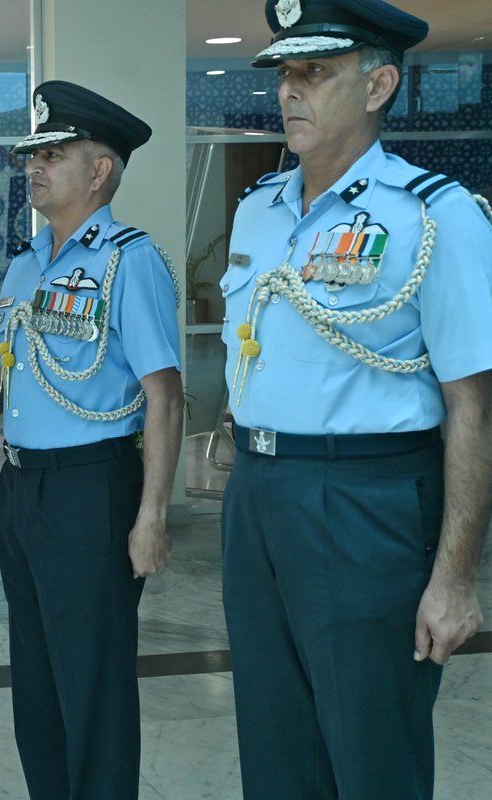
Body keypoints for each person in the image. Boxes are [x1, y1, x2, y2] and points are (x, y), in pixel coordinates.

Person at [221, 2, 492, 798]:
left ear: (378, 84)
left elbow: (473, 406)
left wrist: (454, 579)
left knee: (372, 749)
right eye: (285, 73)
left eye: (316, 72)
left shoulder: (434, 216)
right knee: (273, 742)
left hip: (365, 500)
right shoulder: (258, 211)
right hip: (258, 495)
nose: (289, 91)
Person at [0, 81, 183, 800]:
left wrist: (152, 515)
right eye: (33, 154)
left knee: (91, 677)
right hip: (24, 486)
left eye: (53, 155)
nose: (33, 167)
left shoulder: (130, 261)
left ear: (99, 172)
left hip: (93, 485)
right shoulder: (27, 265)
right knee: (35, 672)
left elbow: (166, 397)